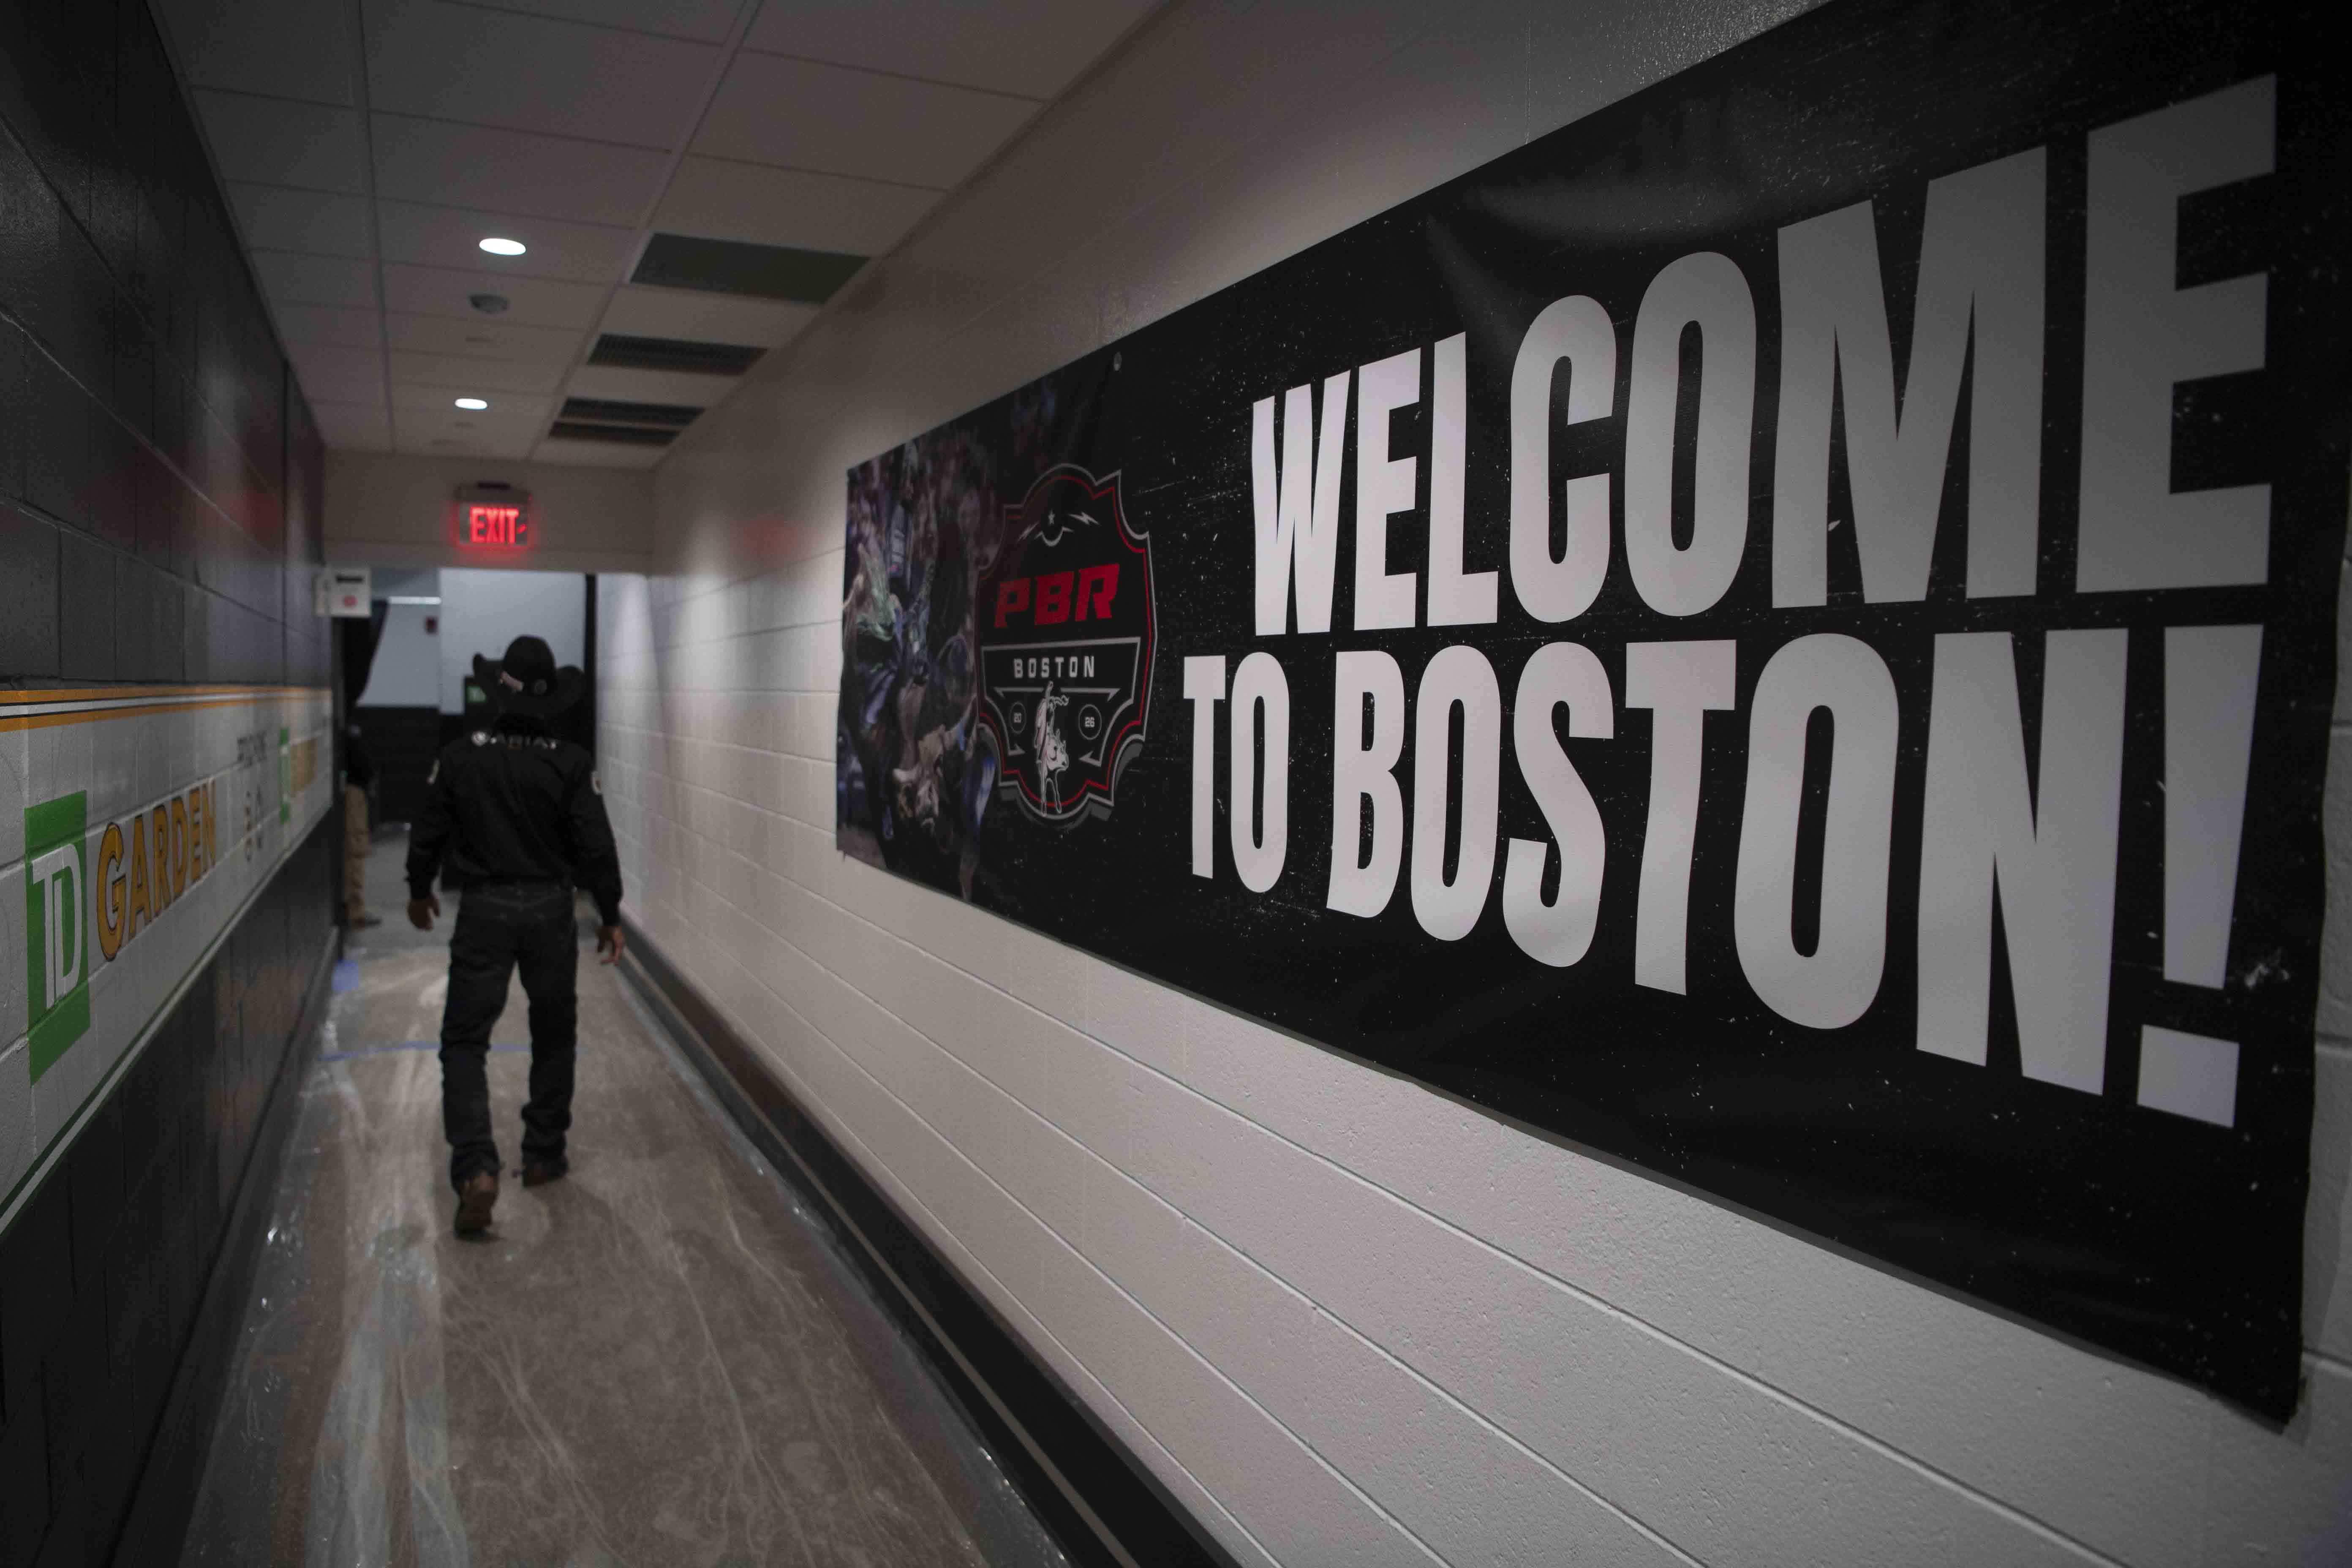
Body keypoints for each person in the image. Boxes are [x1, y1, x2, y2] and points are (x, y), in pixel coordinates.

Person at [407, 634, 624, 1235]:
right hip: (552, 910)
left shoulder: (461, 756)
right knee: (553, 1034)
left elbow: (428, 830)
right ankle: (544, 1155)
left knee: (465, 1040)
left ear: (498, 693)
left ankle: (477, 1168)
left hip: (484, 909)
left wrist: (419, 889)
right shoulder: (571, 762)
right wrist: (609, 913)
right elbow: (597, 845)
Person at [343, 724, 380, 927]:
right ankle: (355, 910)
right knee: (356, 849)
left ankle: (354, 907)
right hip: (354, 791)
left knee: (355, 849)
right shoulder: (350, 730)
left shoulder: (347, 726)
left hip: (354, 790)